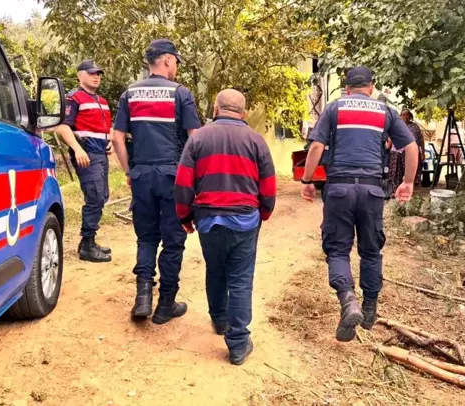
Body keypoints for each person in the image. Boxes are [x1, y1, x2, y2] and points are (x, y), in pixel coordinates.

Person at [300, 66, 418, 342]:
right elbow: (411, 147)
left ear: (347, 86)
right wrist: (408, 182)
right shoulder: (385, 111)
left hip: (339, 189)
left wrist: (307, 179)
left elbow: (316, 147)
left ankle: (347, 300)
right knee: (371, 251)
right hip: (372, 190)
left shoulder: (334, 108)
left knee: (338, 250)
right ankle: (369, 306)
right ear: (372, 86)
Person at [174, 89, 276, 366]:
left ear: (216, 109)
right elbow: (268, 185)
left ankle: (219, 321)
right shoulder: (256, 140)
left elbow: (183, 183)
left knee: (215, 270)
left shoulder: (198, 139)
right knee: (240, 279)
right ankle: (238, 344)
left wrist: (184, 216)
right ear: (242, 114)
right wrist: (263, 213)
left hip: (208, 220)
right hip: (245, 220)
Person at [112, 39, 201, 324]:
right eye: (175, 60)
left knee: (147, 237)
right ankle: (165, 306)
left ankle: (142, 298)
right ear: (166, 60)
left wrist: (129, 171)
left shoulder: (129, 94)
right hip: (173, 177)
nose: (176, 67)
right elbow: (195, 138)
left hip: (141, 176)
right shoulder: (181, 94)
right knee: (173, 241)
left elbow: (116, 137)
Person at [56, 60, 112, 263]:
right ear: (80, 75)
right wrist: (77, 149)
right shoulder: (73, 97)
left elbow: (105, 128)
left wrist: (109, 142)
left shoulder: (102, 101)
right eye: (91, 73)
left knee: (102, 195)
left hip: (100, 154)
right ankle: (87, 245)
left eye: (98, 73)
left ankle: (89, 242)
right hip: (86, 154)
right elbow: (62, 127)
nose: (96, 76)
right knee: (95, 196)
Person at [386, 108, 425, 193]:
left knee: (410, 172)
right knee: (396, 173)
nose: (405, 117)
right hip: (397, 152)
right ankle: (395, 191)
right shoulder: (396, 126)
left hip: (411, 152)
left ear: (410, 116)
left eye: (407, 115)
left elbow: (421, 139)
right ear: (400, 116)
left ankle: (409, 190)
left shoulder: (415, 126)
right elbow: (390, 139)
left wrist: (423, 152)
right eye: (403, 115)